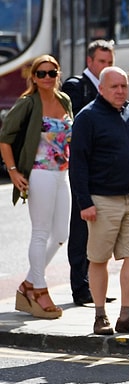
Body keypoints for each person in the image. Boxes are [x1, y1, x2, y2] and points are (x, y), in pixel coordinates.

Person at [69, 66, 129, 336]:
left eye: (124, 86)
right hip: (101, 200)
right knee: (99, 259)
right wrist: (84, 202)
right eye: (114, 87)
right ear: (101, 89)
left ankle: (127, 316)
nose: (120, 91)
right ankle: (99, 316)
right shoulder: (87, 117)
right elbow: (78, 163)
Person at [0, 54, 72, 319]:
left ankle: (28, 283)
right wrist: (14, 171)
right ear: (33, 77)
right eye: (40, 73)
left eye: (51, 73)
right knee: (41, 232)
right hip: (39, 172)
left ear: (57, 74)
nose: (46, 78)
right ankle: (40, 289)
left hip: (62, 173)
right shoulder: (27, 104)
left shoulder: (64, 100)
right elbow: (5, 138)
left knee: (62, 234)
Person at [61, 40, 115, 307]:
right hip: (83, 167)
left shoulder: (111, 90)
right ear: (90, 61)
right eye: (102, 62)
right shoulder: (76, 86)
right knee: (80, 227)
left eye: (109, 62)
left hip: (104, 171)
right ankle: (79, 286)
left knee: (99, 231)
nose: (106, 66)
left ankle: (95, 286)